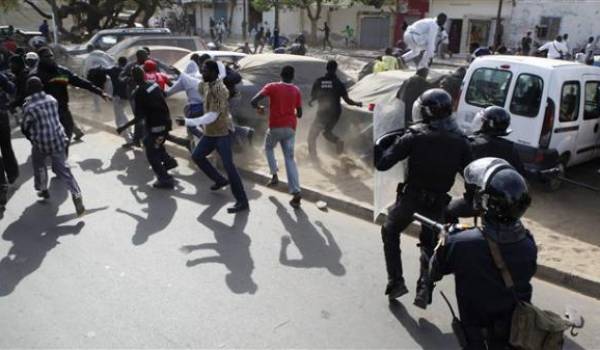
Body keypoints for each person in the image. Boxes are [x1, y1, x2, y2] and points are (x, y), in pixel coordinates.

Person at [374, 88, 472, 306]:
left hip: (411, 199)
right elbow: (471, 176)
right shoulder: (461, 142)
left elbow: (383, 163)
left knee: (389, 230)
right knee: (429, 244)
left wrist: (379, 146)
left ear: (427, 112)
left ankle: (396, 281)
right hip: (438, 202)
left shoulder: (413, 137)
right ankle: (424, 289)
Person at [430, 158, 537, 349]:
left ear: (487, 203)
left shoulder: (460, 243)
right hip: (515, 332)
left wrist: (445, 238)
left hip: (477, 335)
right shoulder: (528, 244)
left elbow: (435, 269)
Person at [176, 60, 249, 214]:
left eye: (205, 71)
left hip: (221, 132)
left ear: (213, 73)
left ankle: (242, 201)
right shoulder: (207, 84)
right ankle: (219, 179)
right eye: (202, 70)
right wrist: (178, 74)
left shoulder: (219, 90)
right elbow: (193, 82)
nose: (202, 73)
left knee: (230, 167)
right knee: (197, 156)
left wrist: (188, 121)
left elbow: (212, 116)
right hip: (210, 132)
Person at [445, 106, 525, 224]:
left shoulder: (471, 144)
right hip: (500, 205)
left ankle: (454, 237)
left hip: (473, 202)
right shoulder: (511, 148)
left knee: (447, 211)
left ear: (487, 124)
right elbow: (520, 174)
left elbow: (456, 167)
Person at [21, 77, 85, 216]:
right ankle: (76, 194)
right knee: (64, 170)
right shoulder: (52, 100)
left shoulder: (29, 106)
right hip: (58, 139)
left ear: (29, 90)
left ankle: (43, 188)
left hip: (41, 142)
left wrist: (31, 137)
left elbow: (25, 126)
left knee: (39, 164)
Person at [251, 66, 303, 208]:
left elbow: (253, 101)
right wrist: (290, 108)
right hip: (291, 128)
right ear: (293, 77)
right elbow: (300, 114)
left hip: (275, 127)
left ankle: (274, 175)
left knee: (268, 148)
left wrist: (260, 108)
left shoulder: (272, 87)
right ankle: (296, 192)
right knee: (290, 159)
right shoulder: (296, 90)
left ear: (280, 75)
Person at [117, 67, 177, 189]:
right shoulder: (153, 85)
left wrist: (123, 127)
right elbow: (163, 94)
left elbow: (139, 117)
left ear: (133, 78)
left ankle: (165, 179)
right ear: (144, 75)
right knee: (150, 142)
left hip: (156, 126)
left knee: (151, 153)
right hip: (166, 120)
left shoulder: (139, 92)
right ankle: (169, 161)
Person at [35, 47, 109, 146]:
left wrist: (99, 91)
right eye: (46, 56)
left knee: (66, 139)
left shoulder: (61, 71)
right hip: (46, 113)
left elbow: (80, 81)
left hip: (63, 110)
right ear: (40, 58)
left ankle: (61, 158)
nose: (50, 58)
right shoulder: (36, 75)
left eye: (51, 56)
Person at [308, 60, 362, 160]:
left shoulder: (319, 81)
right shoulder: (338, 83)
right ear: (335, 69)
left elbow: (313, 97)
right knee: (327, 133)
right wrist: (357, 104)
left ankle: (313, 159)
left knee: (311, 137)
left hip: (323, 113)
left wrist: (311, 101)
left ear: (326, 68)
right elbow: (347, 100)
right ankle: (339, 146)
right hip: (335, 113)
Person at [94, 57, 133, 146]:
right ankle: (130, 132)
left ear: (118, 62)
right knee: (122, 114)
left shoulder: (114, 70)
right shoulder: (129, 70)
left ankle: (129, 140)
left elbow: (102, 70)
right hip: (128, 97)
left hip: (118, 97)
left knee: (119, 119)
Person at [0, 71, 16, 209]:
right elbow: (11, 88)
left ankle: (2, 186)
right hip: (2, 115)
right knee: (6, 146)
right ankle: (12, 174)